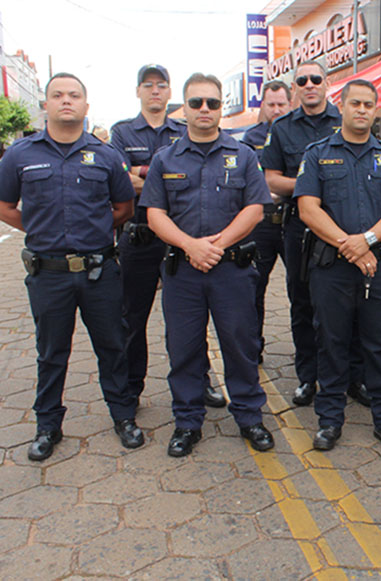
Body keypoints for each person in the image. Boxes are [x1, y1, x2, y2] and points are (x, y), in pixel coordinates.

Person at [0, 73, 144, 460]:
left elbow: (124, 207)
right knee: (51, 353)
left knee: (113, 346)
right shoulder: (20, 155)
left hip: (100, 273)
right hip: (48, 274)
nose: (66, 101)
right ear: (45, 104)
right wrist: (42, 228)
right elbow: (5, 206)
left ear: (85, 105)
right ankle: (48, 426)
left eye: (74, 95)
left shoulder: (106, 155)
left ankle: (123, 417)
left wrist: (93, 230)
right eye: (57, 95)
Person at [139, 73, 273, 457]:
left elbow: (255, 209)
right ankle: (186, 422)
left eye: (212, 103)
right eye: (196, 102)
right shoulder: (165, 159)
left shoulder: (244, 155)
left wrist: (215, 247)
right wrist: (189, 246)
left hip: (231, 270)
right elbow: (155, 215)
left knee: (240, 344)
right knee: (183, 349)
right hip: (183, 272)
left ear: (220, 108)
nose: (204, 110)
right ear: (184, 108)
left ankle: (250, 417)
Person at [295, 79, 381, 450]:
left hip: (380, 266)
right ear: (340, 106)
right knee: (332, 343)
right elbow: (308, 208)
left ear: (375, 111)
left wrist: (368, 241)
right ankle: (330, 421)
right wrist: (351, 246)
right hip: (332, 267)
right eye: (355, 103)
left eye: (368, 105)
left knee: (378, 344)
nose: (362, 110)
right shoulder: (317, 154)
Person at [110, 64, 226, 410]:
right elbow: (120, 180)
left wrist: (148, 175)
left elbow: (194, 178)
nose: (155, 91)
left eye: (162, 85)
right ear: (138, 91)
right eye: (148, 85)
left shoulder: (183, 128)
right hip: (140, 238)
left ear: (171, 91)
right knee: (133, 318)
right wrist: (169, 180)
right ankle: (131, 388)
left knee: (190, 318)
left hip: (182, 240)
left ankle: (200, 380)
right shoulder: (123, 132)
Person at [261, 61, 369, 408]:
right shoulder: (282, 129)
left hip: (347, 228)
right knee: (303, 301)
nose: (309, 85)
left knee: (352, 304)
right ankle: (309, 377)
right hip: (300, 229)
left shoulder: (346, 118)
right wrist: (314, 186)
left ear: (328, 84)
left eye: (316, 79)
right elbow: (271, 179)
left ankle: (355, 377)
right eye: (302, 80)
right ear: (295, 87)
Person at [240, 81, 292, 361]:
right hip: (262, 224)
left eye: (281, 104)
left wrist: (276, 186)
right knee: (254, 287)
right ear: (263, 105)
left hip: (293, 222)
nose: (276, 109)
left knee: (301, 289)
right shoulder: (251, 138)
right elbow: (248, 180)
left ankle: (308, 355)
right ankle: (253, 349)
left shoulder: (299, 133)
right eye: (271, 104)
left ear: (290, 104)